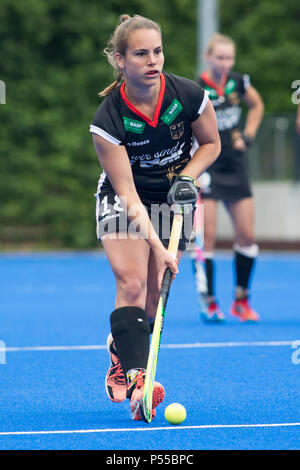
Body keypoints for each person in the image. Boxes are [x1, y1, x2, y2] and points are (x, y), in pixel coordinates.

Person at [89, 14, 220, 421]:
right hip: (124, 199)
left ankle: (121, 345)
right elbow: (127, 193)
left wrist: (188, 176)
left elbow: (211, 144)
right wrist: (159, 248)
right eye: (141, 54)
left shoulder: (188, 95)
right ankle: (137, 379)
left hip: (172, 198)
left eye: (157, 51)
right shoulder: (107, 120)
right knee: (129, 283)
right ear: (119, 60)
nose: (152, 61)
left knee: (149, 306)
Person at [194, 33, 264, 322]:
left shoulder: (239, 81)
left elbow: (257, 106)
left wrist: (247, 136)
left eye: (229, 58)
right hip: (209, 166)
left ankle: (241, 300)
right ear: (208, 58)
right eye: (219, 57)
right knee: (207, 238)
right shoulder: (196, 88)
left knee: (247, 236)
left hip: (235, 165)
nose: (225, 63)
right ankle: (209, 301)